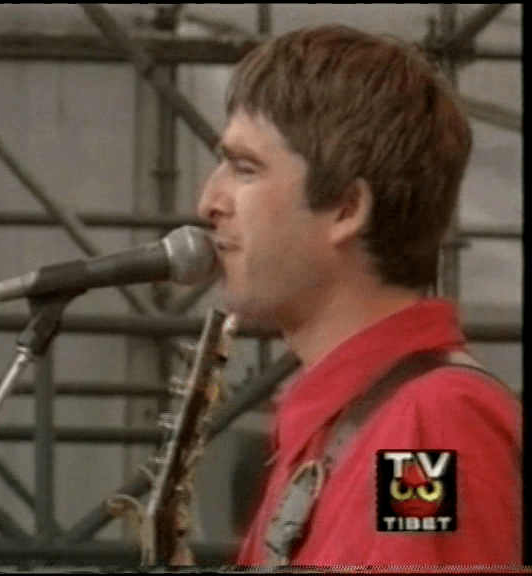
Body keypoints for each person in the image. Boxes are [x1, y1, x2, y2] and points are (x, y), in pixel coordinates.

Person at [196, 24, 521, 568]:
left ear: (347, 210)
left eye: (245, 168)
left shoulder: (427, 427)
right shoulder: (362, 417)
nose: (208, 199)